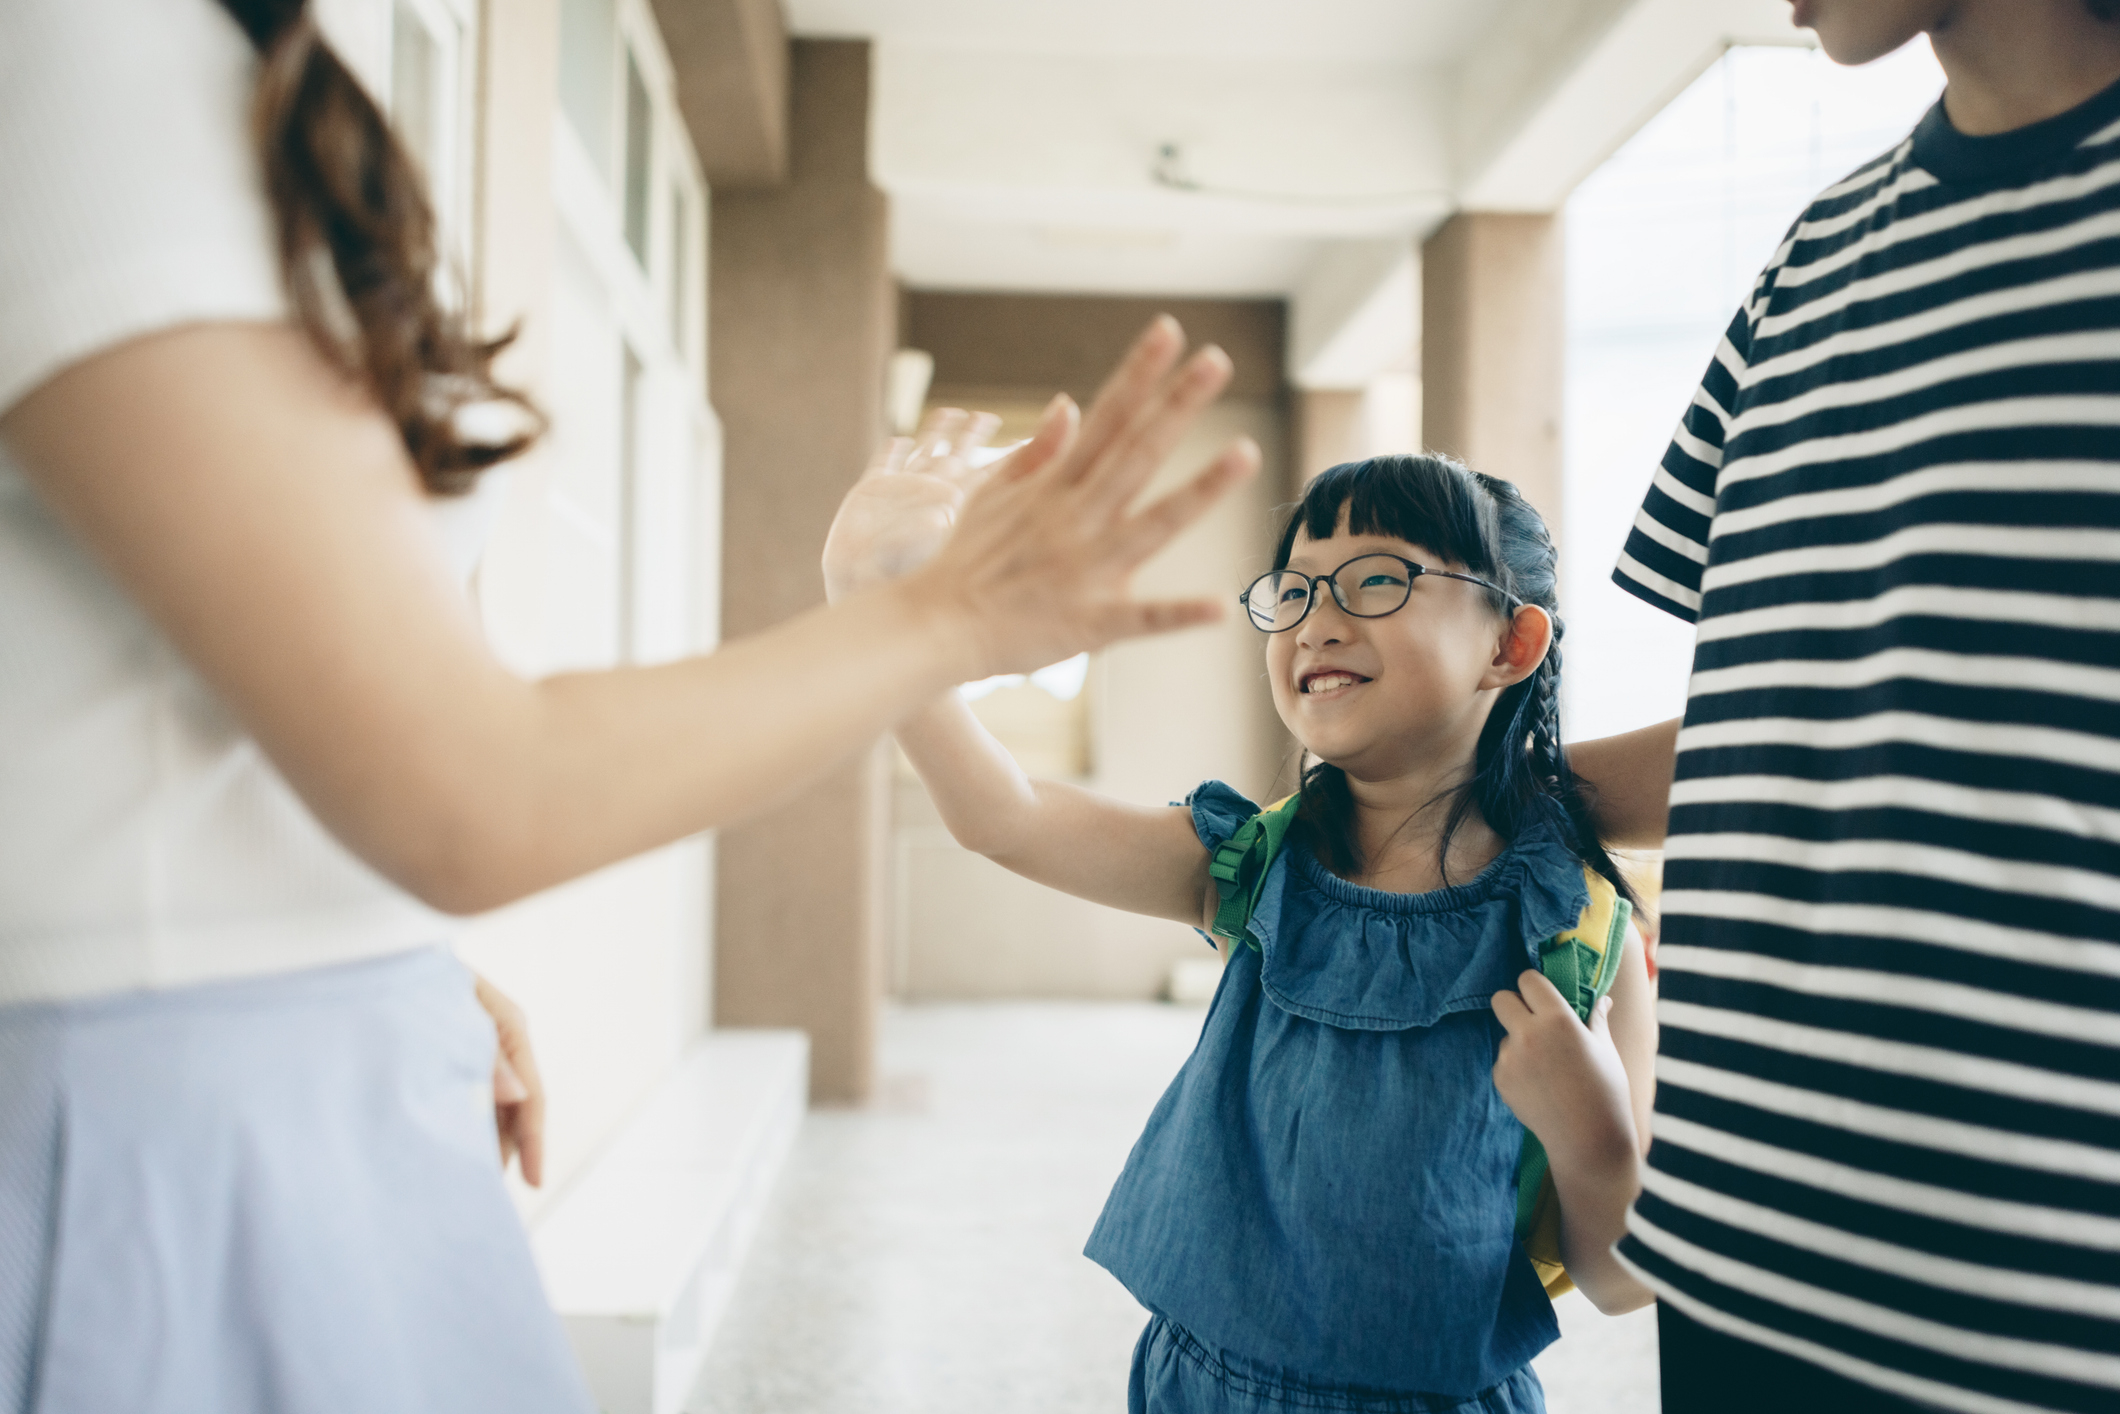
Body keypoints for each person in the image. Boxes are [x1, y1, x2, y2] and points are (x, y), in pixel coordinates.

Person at [0, 0, 1261, 1408]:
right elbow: (464, 787)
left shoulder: (217, 74)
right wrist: (931, 611)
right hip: (149, 1143)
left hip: (325, 1073)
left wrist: (398, 960)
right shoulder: (81, 55)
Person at [823, 448, 1659, 1413]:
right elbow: (1002, 817)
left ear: (1510, 647)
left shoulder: (1580, 932)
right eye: (1293, 592)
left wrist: (1593, 1142)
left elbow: (1621, 1280)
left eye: (1379, 578)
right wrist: (877, 610)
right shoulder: (1249, 864)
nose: (1317, 620)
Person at [1562, 0, 2120, 1409]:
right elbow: (1786, 723)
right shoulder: (1815, 255)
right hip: (1739, 1252)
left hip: (2041, 1296)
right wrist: (1442, 796)